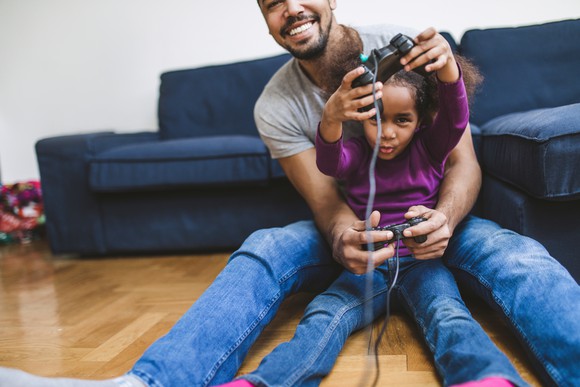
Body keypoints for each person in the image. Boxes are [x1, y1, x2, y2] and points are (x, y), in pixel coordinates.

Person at [1, 1, 579, 386]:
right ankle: (152, 381)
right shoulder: (276, 106)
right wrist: (343, 234)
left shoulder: (404, 57)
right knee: (268, 244)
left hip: (437, 218)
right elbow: (328, 200)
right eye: (272, 1)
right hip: (362, 225)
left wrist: (447, 219)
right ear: (266, 17)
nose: (289, 8)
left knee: (515, 253)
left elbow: (461, 159)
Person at [219, 37, 525, 387]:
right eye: (376, 119)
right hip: (369, 267)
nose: (387, 133)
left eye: (402, 120)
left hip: (422, 263)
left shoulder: (430, 146)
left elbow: (456, 119)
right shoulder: (359, 153)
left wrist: (447, 70)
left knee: (449, 315)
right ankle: (265, 381)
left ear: (421, 120)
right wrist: (331, 117)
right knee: (322, 316)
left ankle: (487, 378)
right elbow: (329, 162)